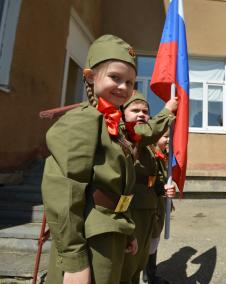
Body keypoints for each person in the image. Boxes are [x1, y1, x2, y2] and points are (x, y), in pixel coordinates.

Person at [41, 34, 176, 284]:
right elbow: (64, 192)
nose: (124, 87)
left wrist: (127, 231)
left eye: (130, 82)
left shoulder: (112, 126)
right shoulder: (83, 120)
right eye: (115, 77)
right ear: (91, 76)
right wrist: (74, 260)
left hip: (111, 232)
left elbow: (118, 189)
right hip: (90, 241)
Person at [120, 91, 176, 284]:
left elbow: (150, 179)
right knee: (124, 270)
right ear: (122, 114)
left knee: (137, 267)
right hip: (129, 215)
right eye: (135, 110)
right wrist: (168, 110)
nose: (141, 114)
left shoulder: (146, 150)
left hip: (148, 213)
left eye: (145, 111)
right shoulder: (121, 140)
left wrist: (163, 188)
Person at [143, 129, 173, 284]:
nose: (168, 140)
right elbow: (150, 181)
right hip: (152, 204)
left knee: (155, 239)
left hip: (159, 203)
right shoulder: (152, 155)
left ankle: (149, 273)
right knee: (151, 239)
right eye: (166, 137)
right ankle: (149, 275)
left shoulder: (163, 156)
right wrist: (162, 189)